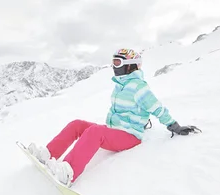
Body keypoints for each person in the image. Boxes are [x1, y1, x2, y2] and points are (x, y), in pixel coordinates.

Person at [26, 48, 201, 187]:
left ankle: (68, 172)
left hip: (130, 136)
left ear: (130, 65)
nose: (114, 66)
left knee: (95, 132)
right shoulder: (120, 85)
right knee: (77, 124)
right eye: (113, 62)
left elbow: (156, 107)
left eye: (118, 62)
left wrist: (174, 125)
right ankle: (48, 154)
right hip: (114, 130)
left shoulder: (139, 87)